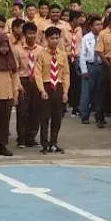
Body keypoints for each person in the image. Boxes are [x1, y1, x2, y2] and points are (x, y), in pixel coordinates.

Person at [37, 26, 69, 154]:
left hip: (58, 87)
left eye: (57, 38)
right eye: (52, 38)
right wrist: (41, 90)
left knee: (57, 117)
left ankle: (54, 142)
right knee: (45, 117)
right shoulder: (42, 54)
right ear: (47, 39)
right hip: (46, 85)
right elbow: (37, 73)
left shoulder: (62, 55)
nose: (55, 41)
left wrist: (66, 91)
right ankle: (44, 143)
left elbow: (66, 74)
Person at [78, 16, 104, 126]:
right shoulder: (86, 38)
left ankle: (99, 117)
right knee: (87, 92)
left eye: (100, 24)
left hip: (101, 65)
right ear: (91, 26)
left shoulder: (103, 37)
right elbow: (82, 55)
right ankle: (84, 115)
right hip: (90, 65)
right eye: (97, 25)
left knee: (99, 92)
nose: (99, 27)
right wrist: (84, 70)